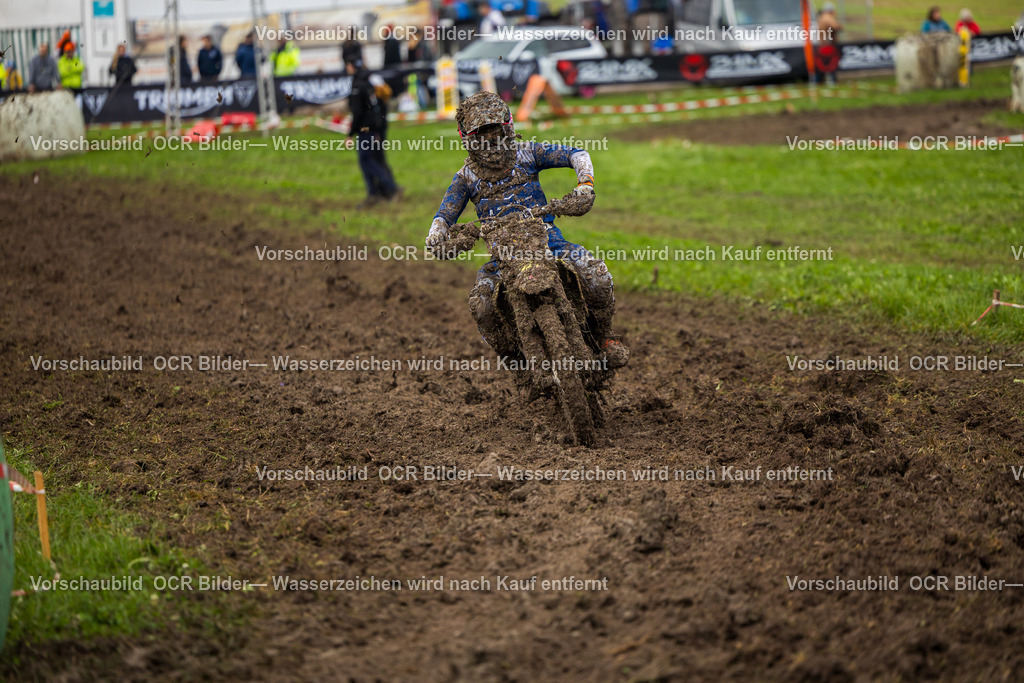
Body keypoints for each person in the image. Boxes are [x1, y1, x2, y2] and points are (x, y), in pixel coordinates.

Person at [425, 91, 629, 369]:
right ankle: (513, 360)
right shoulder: (465, 178)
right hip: (502, 258)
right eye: (483, 134)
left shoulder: (528, 153)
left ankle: (604, 335)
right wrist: (436, 236)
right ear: (468, 138)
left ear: (508, 127)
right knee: (481, 306)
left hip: (549, 242)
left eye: (496, 131)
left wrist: (585, 184)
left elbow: (577, 153)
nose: (491, 140)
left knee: (597, 276)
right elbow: (444, 215)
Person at [346, 56, 399, 207]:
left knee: (367, 160)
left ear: (351, 67)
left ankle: (388, 188)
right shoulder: (370, 81)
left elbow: (358, 112)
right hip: (376, 127)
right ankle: (376, 192)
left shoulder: (357, 86)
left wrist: (350, 133)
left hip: (367, 129)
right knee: (372, 159)